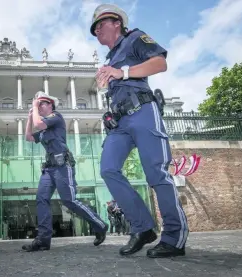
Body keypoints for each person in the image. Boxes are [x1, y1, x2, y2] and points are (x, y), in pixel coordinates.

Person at [90, 4, 188, 258]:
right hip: (120, 122)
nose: (97, 30)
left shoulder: (135, 37)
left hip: (143, 112)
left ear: (116, 23)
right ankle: (143, 227)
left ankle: (174, 237)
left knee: (155, 172)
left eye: (101, 24)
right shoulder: (109, 59)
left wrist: (121, 72)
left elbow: (159, 63)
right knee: (108, 169)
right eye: (95, 27)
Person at [21, 91, 108, 252]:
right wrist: (29, 117)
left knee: (69, 201)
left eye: (42, 104)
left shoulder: (56, 117)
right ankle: (43, 240)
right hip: (49, 168)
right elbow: (28, 137)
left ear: (50, 105)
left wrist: (34, 105)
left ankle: (100, 225)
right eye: (38, 104)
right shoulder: (44, 129)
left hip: (62, 165)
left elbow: (39, 124)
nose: (39, 106)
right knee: (41, 198)